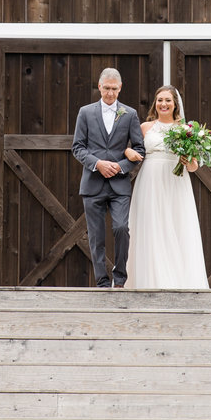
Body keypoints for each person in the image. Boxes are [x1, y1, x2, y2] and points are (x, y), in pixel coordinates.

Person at [125, 85, 209, 290]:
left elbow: (193, 166)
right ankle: (150, 280)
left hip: (175, 183)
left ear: (175, 104)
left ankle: (178, 281)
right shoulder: (145, 127)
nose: (163, 104)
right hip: (150, 182)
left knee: (176, 226)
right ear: (155, 103)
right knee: (151, 226)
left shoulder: (186, 130)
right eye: (160, 100)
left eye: (168, 100)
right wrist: (128, 152)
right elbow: (129, 147)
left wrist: (187, 160)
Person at [72, 68, 146, 288]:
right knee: (96, 236)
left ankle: (120, 278)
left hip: (119, 185)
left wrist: (120, 167)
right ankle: (102, 282)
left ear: (120, 88)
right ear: (99, 87)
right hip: (92, 183)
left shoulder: (130, 114)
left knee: (121, 228)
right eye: (107, 88)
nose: (110, 93)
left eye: (114, 89)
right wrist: (98, 164)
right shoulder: (85, 112)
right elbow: (77, 147)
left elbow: (139, 149)